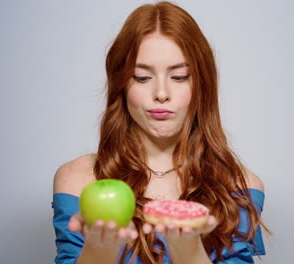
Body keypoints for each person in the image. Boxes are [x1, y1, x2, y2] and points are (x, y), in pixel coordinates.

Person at [52, 1, 272, 263]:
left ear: (202, 85)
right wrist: (101, 250)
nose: (161, 94)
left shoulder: (239, 186)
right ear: (121, 85)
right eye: (142, 78)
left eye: (179, 77)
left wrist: (187, 250)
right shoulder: (77, 179)